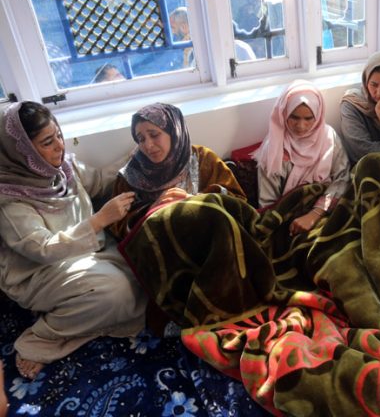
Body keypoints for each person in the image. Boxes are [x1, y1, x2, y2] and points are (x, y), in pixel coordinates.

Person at [0, 101, 146, 380]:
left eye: (58, 134)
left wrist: (137, 157)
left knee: (145, 272)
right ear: (23, 152)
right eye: (47, 142)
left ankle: (85, 324)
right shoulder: (10, 199)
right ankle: (40, 339)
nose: (59, 146)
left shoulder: (63, 169)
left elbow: (102, 180)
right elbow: (41, 248)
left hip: (87, 253)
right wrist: (99, 220)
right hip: (37, 273)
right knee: (117, 293)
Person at [110, 102, 247, 240]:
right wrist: (152, 210)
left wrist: (195, 202)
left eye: (154, 134)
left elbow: (239, 204)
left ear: (174, 130)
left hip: (212, 239)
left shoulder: (203, 159)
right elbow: (118, 226)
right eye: (141, 139)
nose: (148, 145)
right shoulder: (130, 175)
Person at [254, 80, 350, 235]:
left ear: (318, 116)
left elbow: (343, 178)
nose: (301, 126)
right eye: (294, 117)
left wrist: (314, 214)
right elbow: (268, 204)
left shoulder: (329, 138)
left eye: (308, 118)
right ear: (284, 113)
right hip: (290, 222)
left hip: (327, 209)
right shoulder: (274, 148)